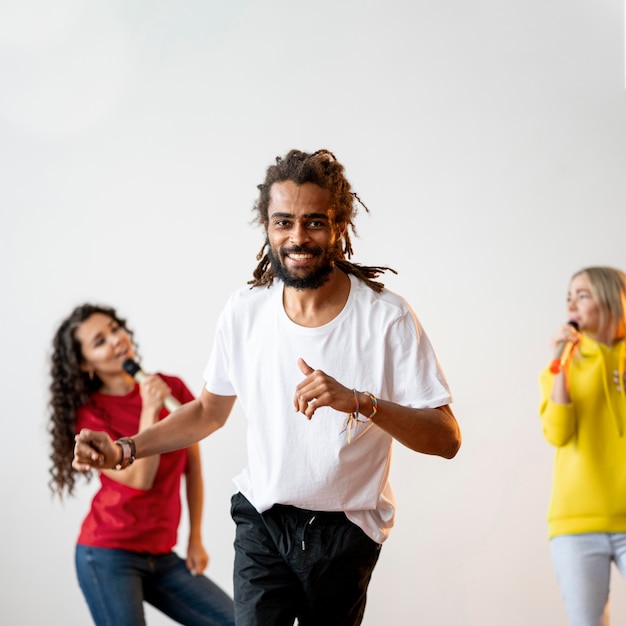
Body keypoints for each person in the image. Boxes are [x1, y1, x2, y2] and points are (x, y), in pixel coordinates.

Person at [72, 149, 462, 626]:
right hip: (262, 517)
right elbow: (207, 413)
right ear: (267, 227)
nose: (298, 237)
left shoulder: (387, 317)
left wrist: (361, 402)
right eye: (284, 223)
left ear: (339, 225)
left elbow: (447, 439)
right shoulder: (245, 310)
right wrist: (124, 448)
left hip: (347, 531)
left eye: (314, 222)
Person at [49, 303, 235, 626]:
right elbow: (139, 480)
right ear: (83, 365)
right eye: (100, 341)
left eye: (115, 328)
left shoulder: (171, 387)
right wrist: (149, 409)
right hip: (107, 554)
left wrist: (195, 537)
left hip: (160, 554)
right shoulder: (89, 416)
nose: (116, 339)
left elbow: (192, 465)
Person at [539, 266, 626, 626]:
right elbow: (558, 433)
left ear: (610, 298)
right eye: (569, 296)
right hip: (575, 524)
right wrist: (565, 363)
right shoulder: (560, 365)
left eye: (583, 294)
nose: (572, 303)